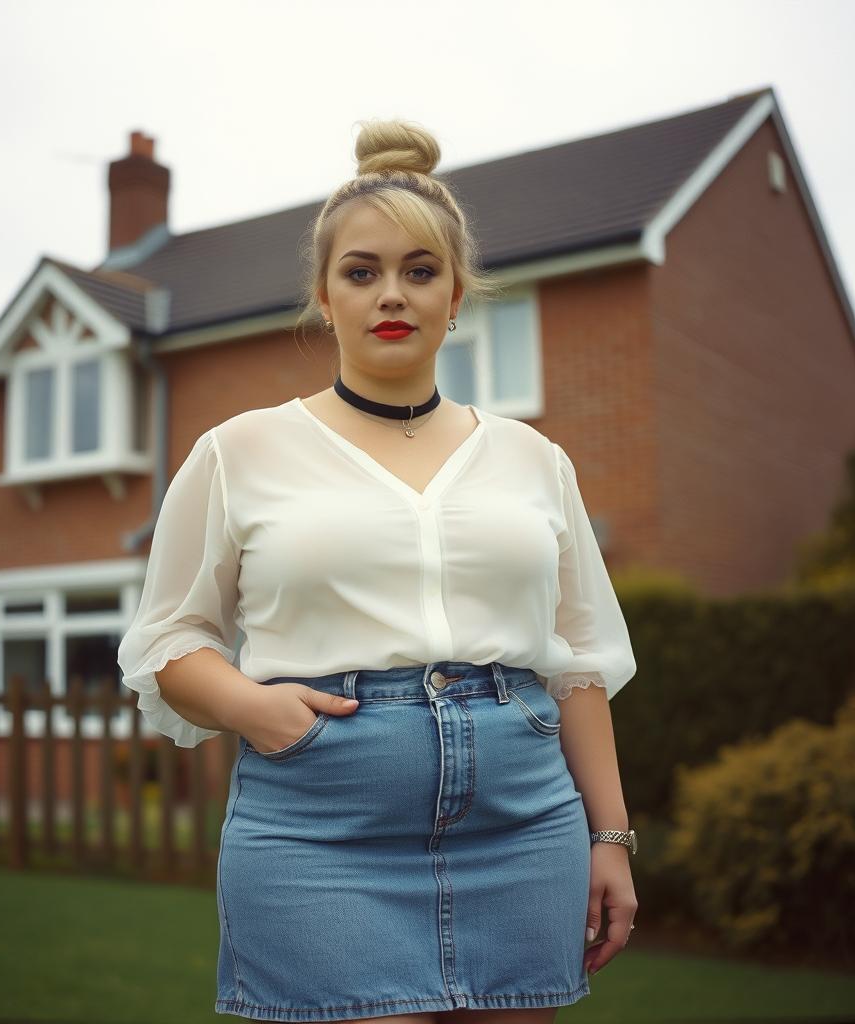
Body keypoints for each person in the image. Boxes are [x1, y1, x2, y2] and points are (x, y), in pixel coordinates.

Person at [117, 117, 638, 1024]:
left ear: (457, 295)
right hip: (320, 828)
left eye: (419, 270)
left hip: (524, 825)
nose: (390, 294)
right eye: (362, 272)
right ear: (325, 295)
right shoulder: (238, 452)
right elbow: (167, 639)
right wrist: (253, 707)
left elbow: (578, 658)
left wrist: (611, 838)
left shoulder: (534, 460)